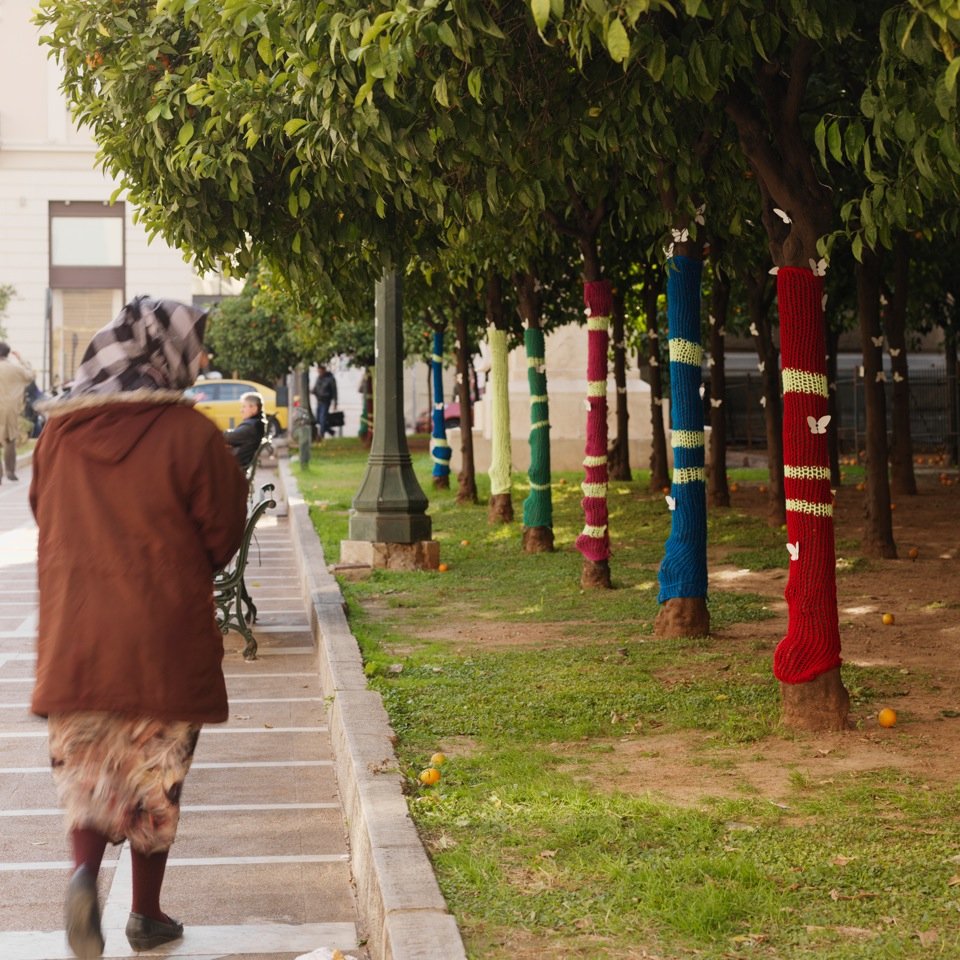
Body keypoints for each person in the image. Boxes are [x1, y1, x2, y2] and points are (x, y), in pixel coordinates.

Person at [29, 296, 248, 958]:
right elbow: (221, 536)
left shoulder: (58, 437)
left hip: (75, 639)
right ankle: (146, 914)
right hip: (163, 639)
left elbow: (44, 516)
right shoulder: (192, 436)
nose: (202, 357)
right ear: (164, 354)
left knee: (90, 776)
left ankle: (80, 877)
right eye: (195, 343)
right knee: (153, 778)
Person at [0, 341, 34, 482]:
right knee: (10, 439)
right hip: (11, 409)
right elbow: (31, 375)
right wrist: (21, 359)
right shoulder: (15, 369)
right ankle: (10, 471)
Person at [223, 391, 266, 469]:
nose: (241, 410)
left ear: (254, 408)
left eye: (244, 406)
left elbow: (227, 437)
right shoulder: (256, 423)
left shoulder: (251, 426)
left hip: (231, 466)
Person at [311, 363, 338, 439]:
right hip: (319, 401)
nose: (319, 373)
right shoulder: (318, 378)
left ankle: (321, 435)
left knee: (322, 418)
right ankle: (330, 431)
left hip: (326, 401)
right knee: (318, 420)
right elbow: (315, 388)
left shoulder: (330, 378)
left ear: (324, 370)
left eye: (320, 371)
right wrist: (313, 391)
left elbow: (334, 391)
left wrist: (335, 403)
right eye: (318, 371)